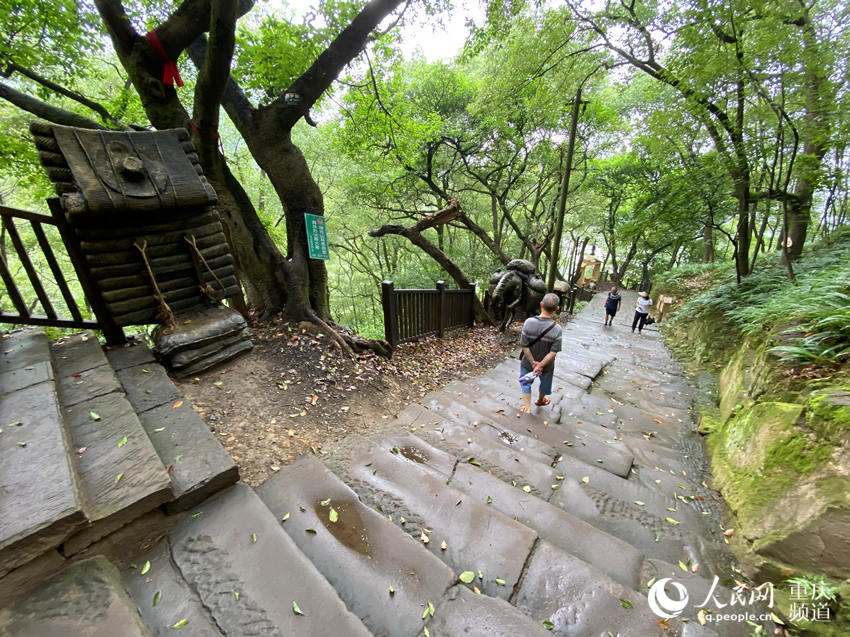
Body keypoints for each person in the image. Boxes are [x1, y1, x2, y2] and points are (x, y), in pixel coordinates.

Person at [519, 293, 563, 413]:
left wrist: (533, 363)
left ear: (541, 304)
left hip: (528, 363)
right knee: (545, 383)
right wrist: (540, 365)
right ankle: (540, 400)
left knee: (525, 383)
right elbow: (553, 352)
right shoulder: (557, 329)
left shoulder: (528, 322)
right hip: (547, 366)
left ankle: (527, 408)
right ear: (556, 308)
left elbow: (524, 346)